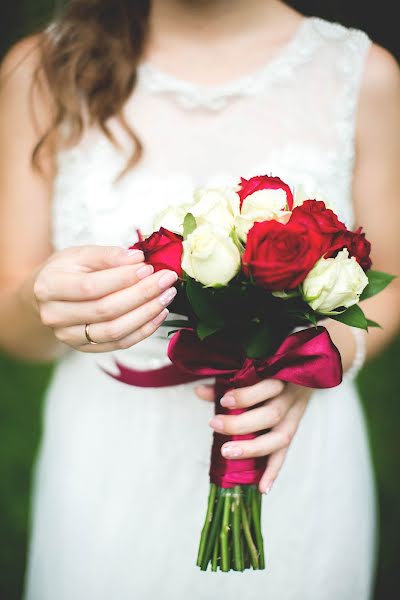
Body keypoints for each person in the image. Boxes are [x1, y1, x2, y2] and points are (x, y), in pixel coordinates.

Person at [1, 0, 399, 598]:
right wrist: (42, 301)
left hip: (292, 460)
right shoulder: (42, 70)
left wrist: (319, 356)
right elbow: (16, 330)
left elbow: (390, 278)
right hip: (109, 465)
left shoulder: (361, 74)